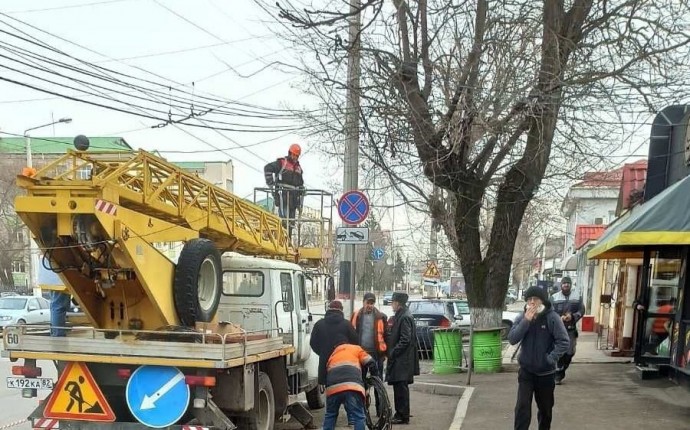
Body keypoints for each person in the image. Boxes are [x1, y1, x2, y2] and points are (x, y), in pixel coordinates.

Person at [508, 286, 570, 430]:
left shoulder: (552, 317)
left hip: (546, 374)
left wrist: (550, 359)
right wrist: (526, 321)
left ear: (542, 301)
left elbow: (564, 341)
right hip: (526, 372)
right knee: (522, 408)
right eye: (529, 300)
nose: (532, 303)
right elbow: (512, 339)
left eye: (535, 299)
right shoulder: (522, 316)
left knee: (545, 410)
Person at [322, 341, 376, 430]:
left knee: (330, 414)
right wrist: (374, 377)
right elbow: (370, 362)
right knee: (358, 416)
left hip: (332, 388)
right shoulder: (356, 349)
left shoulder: (333, 355)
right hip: (352, 387)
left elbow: (327, 372)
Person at [351, 292, 387, 415]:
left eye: (372, 303)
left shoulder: (381, 316)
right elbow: (351, 333)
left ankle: (380, 410)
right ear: (363, 302)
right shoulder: (356, 315)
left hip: (376, 355)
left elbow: (386, 335)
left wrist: (385, 353)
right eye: (368, 303)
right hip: (360, 355)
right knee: (361, 383)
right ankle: (362, 409)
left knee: (378, 383)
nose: (370, 305)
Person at [385, 292, 419, 425]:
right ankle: (401, 413)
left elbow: (405, 339)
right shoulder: (402, 315)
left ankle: (402, 415)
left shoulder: (404, 317)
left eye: (393, 302)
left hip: (402, 360)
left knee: (401, 388)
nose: (391, 305)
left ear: (397, 303)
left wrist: (393, 352)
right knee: (400, 387)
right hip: (402, 359)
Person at [310, 300, 359, 386]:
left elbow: (313, 343)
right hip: (343, 363)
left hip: (325, 364)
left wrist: (322, 353)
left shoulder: (319, 324)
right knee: (343, 387)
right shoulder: (347, 325)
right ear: (341, 310)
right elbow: (356, 343)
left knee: (330, 391)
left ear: (328, 310)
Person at [263, 144, 305, 238]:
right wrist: (271, 183)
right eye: (293, 155)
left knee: (291, 223)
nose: (295, 157)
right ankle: (283, 240)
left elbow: (300, 183)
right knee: (284, 220)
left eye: (296, 156)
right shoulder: (282, 163)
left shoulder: (298, 168)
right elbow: (267, 168)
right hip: (283, 197)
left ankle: (288, 241)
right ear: (289, 153)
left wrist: (301, 190)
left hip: (294, 200)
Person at [550, 276, 585, 384]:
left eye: (568, 283)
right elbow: (549, 311)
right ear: (561, 285)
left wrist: (573, 316)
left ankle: (563, 369)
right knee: (560, 351)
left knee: (570, 352)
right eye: (564, 283)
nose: (566, 285)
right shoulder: (554, 297)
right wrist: (558, 318)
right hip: (557, 330)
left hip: (571, 329)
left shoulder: (577, 297)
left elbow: (581, 310)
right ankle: (558, 375)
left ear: (570, 285)